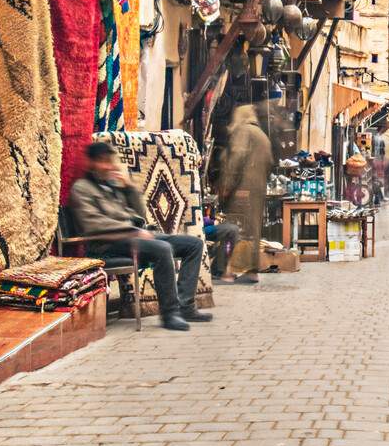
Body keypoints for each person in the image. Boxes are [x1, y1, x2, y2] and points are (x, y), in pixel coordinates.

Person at [69, 141, 209, 331]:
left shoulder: (113, 186)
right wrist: (132, 231)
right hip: (107, 244)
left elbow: (139, 213)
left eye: (109, 161)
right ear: (91, 163)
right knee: (162, 249)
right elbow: (93, 225)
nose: (108, 166)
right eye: (102, 161)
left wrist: (128, 188)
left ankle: (186, 307)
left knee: (193, 244)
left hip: (133, 238)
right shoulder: (82, 188)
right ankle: (170, 314)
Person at [215, 105, 272, 285]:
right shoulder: (262, 136)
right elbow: (269, 163)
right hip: (257, 190)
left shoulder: (244, 131)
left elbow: (236, 159)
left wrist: (226, 186)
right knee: (253, 230)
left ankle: (230, 271)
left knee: (238, 228)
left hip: (242, 190)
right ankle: (252, 270)